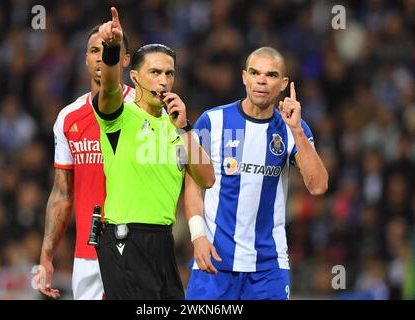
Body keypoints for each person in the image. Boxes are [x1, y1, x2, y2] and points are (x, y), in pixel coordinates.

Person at [185, 47, 329, 300]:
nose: (261, 80)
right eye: (255, 73)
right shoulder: (211, 121)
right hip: (215, 262)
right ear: (244, 77)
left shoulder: (292, 127)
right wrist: (197, 236)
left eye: (271, 75)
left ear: (284, 83)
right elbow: (193, 186)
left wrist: (296, 130)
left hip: (268, 267)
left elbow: (318, 186)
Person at [92, 7, 214, 300]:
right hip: (125, 238)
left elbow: (207, 179)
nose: (163, 80)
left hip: (163, 240)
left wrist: (185, 128)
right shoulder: (119, 116)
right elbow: (108, 86)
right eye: (155, 72)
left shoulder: (179, 124)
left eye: (169, 73)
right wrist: (111, 48)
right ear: (134, 77)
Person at [35, 25, 135, 300]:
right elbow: (62, 192)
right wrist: (46, 254)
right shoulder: (68, 118)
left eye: (110, 49)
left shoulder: (144, 111)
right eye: (94, 50)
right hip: (87, 255)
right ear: (86, 59)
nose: (101, 57)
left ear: (125, 59)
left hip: (135, 250)